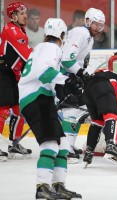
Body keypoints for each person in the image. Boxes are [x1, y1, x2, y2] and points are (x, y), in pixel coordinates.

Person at [18, 18, 82, 199]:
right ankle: (42, 187)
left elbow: (47, 74)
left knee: (63, 145)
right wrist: (67, 80)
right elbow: (44, 72)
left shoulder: (40, 48)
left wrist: (64, 84)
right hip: (36, 98)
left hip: (39, 97)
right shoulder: (51, 48)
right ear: (62, 35)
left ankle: (58, 185)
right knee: (51, 144)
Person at [58, 7, 106, 164]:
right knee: (72, 111)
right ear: (87, 21)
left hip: (70, 76)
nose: (98, 28)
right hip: (63, 76)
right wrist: (81, 73)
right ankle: (66, 149)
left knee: (80, 110)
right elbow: (66, 60)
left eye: (101, 25)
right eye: (96, 24)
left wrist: (81, 73)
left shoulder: (88, 36)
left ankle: (69, 146)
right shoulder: (82, 33)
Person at [0, 2, 33, 161]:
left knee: (20, 109)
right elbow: (27, 56)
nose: (25, 16)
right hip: (2, 72)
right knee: (3, 110)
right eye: (21, 13)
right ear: (13, 16)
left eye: (25, 13)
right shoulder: (12, 30)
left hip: (12, 73)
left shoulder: (19, 28)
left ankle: (14, 143)